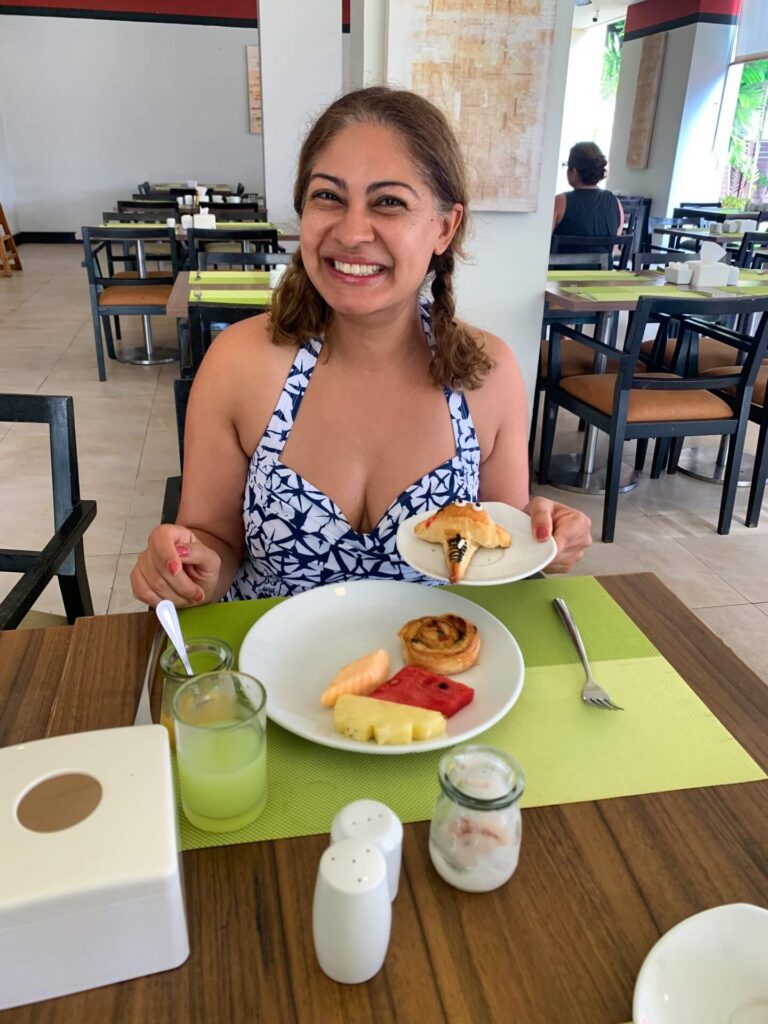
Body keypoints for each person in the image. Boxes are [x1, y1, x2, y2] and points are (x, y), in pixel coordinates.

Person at [131, 87, 592, 608]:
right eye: (328, 196)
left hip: (433, 673)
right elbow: (214, 543)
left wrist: (546, 540)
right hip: (270, 672)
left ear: (445, 227)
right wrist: (189, 568)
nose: (351, 233)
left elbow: (500, 556)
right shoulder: (239, 364)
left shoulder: (489, 374)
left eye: (388, 202)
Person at [552, 141, 624, 248]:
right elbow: (612, 251)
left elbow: (542, 242)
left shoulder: (560, 201)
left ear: (574, 171)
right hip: (602, 265)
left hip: (560, 265)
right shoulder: (615, 202)